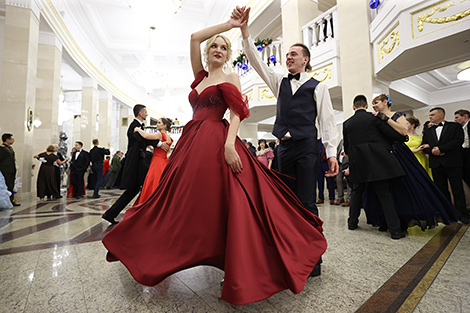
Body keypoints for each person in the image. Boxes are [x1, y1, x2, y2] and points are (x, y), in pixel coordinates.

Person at [102, 15, 327, 306]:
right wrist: (229, 26)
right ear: (208, 53)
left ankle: (236, 262)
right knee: (177, 200)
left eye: (223, 48)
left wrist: (230, 145)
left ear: (227, 54)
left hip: (215, 140)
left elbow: (236, 113)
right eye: (214, 47)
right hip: (190, 141)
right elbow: (194, 37)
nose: (218, 50)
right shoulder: (200, 77)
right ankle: (157, 247)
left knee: (225, 201)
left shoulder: (230, 77)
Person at [235, 6, 339, 219]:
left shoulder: (319, 87)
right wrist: (245, 31)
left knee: (307, 201)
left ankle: (312, 251)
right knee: (285, 199)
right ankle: (289, 247)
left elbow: (327, 122)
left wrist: (331, 153)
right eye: (287, 54)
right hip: (284, 149)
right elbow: (255, 60)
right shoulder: (279, 82)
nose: (288, 57)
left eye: (293, 54)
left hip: (307, 148)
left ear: (305, 60)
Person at [368, 97, 460, 230]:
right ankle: (389, 218)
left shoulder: (397, 115)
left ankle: (406, 216)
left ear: (385, 102)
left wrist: (385, 119)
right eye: (373, 104)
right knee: (387, 187)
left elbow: (403, 131)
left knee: (407, 183)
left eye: (376, 103)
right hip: (383, 152)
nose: (374, 106)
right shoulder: (375, 118)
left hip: (399, 152)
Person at [344, 95, 408, 239]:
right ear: (366, 106)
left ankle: (352, 223)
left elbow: (347, 149)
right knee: (384, 194)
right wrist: (403, 137)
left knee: (356, 192)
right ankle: (395, 231)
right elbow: (392, 134)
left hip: (358, 163)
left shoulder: (347, 123)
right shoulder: (374, 118)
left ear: (354, 107)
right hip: (377, 162)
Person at [101, 105, 163, 224]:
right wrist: (159, 144)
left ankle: (112, 214)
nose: (147, 114)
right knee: (144, 186)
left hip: (139, 162)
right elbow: (142, 138)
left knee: (135, 190)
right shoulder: (134, 126)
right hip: (135, 163)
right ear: (140, 113)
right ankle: (145, 215)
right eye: (145, 112)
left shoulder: (138, 126)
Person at [422, 107, 468, 224]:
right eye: (430, 115)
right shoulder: (428, 131)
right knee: (441, 190)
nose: (430, 117)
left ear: (441, 115)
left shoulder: (455, 126)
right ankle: (447, 212)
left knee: (457, 189)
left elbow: (458, 141)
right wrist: (432, 151)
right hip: (436, 164)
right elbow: (424, 146)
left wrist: (441, 149)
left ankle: (462, 213)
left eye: (432, 115)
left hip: (452, 163)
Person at [134, 117, 173, 205]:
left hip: (157, 162)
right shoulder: (169, 137)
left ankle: (150, 204)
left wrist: (138, 129)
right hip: (164, 161)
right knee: (160, 183)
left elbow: (147, 136)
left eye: (159, 122)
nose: (157, 124)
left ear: (165, 125)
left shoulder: (160, 134)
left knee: (153, 183)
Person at [0, 133, 19, 206]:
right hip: (5, 170)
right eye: (11, 139)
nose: (13, 140)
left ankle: (11, 200)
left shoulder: (9, 148)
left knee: (11, 185)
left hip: (11, 170)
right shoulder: (2, 148)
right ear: (7, 139)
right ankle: (6, 201)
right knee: (6, 185)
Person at [317, 139, 335, 205]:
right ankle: (321, 198)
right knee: (320, 181)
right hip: (319, 163)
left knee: (330, 181)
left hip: (327, 163)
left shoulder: (330, 142)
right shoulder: (318, 141)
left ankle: (332, 198)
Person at [454, 109, 470, 188]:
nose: (455, 120)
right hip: (463, 153)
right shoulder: (459, 129)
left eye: (457, 117)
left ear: (465, 116)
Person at [335, 139, 351, 206]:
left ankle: (349, 200)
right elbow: (338, 150)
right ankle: (340, 198)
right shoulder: (341, 141)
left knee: (348, 183)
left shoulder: (352, 141)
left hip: (348, 164)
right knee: (338, 180)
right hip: (340, 164)